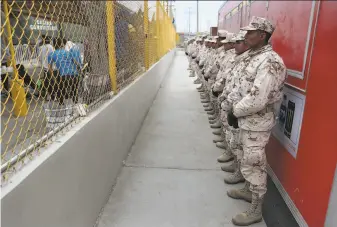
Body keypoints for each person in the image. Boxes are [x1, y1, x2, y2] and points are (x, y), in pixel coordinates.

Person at [226, 16, 287, 226]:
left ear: (262, 35)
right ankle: (247, 190)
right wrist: (232, 107)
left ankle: (256, 209)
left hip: (256, 123)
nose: (245, 35)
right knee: (245, 157)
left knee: (255, 162)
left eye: (250, 32)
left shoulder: (270, 61)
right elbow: (240, 85)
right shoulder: (253, 56)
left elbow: (258, 98)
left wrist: (235, 110)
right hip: (245, 119)